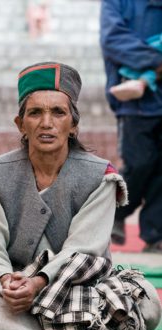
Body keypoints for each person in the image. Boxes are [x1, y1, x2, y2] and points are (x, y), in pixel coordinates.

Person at [0, 61, 161, 330]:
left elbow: (83, 251)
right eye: (35, 113)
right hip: (14, 293)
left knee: (148, 302)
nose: (47, 123)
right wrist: (7, 280)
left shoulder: (101, 177)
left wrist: (39, 283)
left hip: (78, 291)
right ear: (21, 124)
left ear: (73, 125)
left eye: (58, 113)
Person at [100, 0, 162, 253]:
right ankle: (115, 211)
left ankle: (155, 234)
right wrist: (156, 62)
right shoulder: (117, 3)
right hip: (135, 100)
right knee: (140, 163)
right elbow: (113, 39)